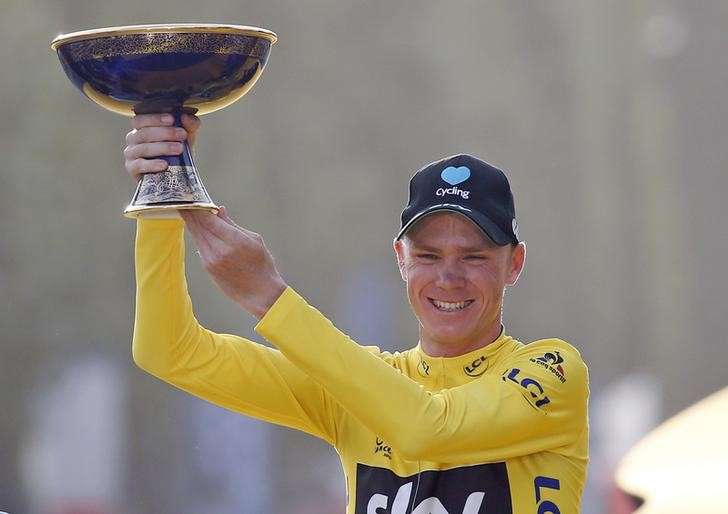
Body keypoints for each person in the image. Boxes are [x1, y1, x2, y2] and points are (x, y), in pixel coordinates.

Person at [124, 113, 589, 514]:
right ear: (400, 259)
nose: (449, 278)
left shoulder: (554, 373)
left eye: (474, 257)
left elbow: (428, 428)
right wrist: (162, 195)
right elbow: (167, 351)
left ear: (515, 264)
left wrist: (270, 297)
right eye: (428, 256)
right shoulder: (361, 385)